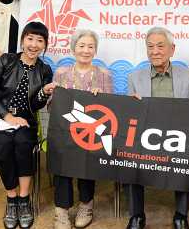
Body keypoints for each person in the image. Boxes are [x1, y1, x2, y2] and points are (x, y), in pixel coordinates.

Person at [0, 22, 55, 229]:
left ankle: (24, 200)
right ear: (22, 40)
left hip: (25, 122)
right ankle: (11, 199)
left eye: (40, 40)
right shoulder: (5, 60)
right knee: (4, 146)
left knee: (23, 145)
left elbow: (36, 105)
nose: (34, 44)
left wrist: (43, 93)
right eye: (30, 38)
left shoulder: (44, 70)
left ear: (45, 45)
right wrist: (7, 116)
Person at [126, 27, 189, 229]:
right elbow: (130, 116)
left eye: (160, 46)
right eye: (150, 47)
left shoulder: (188, 75)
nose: (154, 51)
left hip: (178, 137)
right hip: (146, 136)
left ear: (172, 49)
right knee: (128, 156)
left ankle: (181, 216)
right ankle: (137, 216)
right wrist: (130, 105)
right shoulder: (135, 77)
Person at [50, 29, 112, 229]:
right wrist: (59, 97)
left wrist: (101, 97)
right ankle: (61, 211)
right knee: (61, 159)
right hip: (65, 132)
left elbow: (110, 110)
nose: (86, 50)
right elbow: (52, 106)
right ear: (73, 48)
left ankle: (86, 205)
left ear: (95, 50)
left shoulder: (104, 75)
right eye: (82, 45)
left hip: (90, 134)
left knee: (87, 158)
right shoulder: (61, 73)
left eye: (90, 46)